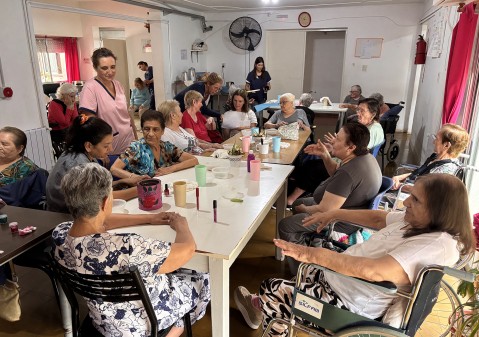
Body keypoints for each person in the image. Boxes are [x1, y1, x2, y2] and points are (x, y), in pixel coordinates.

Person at [234, 174, 476, 336]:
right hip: (340, 282)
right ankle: (261, 305)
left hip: (348, 306)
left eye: (415, 199)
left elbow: (372, 271)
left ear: (437, 210)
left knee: (271, 288)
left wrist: (312, 254)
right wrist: (334, 214)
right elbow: (377, 218)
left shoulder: (434, 243)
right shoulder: (419, 222)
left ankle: (263, 306)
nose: (406, 202)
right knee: (286, 287)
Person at [52, 163, 210, 337]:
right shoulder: (127, 246)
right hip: (144, 323)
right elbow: (187, 249)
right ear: (106, 202)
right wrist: (182, 227)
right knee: (202, 277)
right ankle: (174, 329)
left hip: (104, 321)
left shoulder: (59, 235)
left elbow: (101, 221)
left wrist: (149, 219)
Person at [279, 123, 382, 273]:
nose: (333, 141)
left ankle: (303, 270)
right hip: (349, 207)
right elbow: (336, 171)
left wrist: (305, 209)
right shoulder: (363, 157)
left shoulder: (349, 174)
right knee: (297, 203)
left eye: (338, 139)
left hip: (341, 220)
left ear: (351, 147)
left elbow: (325, 210)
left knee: (286, 225)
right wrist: (325, 155)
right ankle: (307, 239)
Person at [287, 98, 384, 206]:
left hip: (349, 168)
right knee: (310, 161)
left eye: (362, 111)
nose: (358, 114)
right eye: (358, 110)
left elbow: (356, 152)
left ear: (373, 114)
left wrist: (336, 147)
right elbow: (353, 151)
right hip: (347, 164)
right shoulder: (370, 127)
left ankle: (291, 199)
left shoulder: (372, 130)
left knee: (313, 167)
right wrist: (334, 147)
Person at [47, 114, 143, 213]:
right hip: (64, 216)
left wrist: (125, 181)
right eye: (106, 146)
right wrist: (140, 190)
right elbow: (99, 198)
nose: (111, 149)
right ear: (88, 145)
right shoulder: (79, 166)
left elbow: (97, 187)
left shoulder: (82, 153)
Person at [79, 47, 137, 156]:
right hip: (109, 149)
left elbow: (127, 114)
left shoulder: (118, 85)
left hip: (129, 143)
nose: (110, 72)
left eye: (113, 67)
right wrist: (101, 150)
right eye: (104, 68)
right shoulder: (90, 88)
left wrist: (136, 137)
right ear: (95, 68)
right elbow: (89, 123)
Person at [111, 109, 198, 178]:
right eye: (147, 129)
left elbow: (194, 160)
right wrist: (133, 177)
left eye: (155, 129)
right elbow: (114, 169)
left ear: (163, 131)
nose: (151, 134)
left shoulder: (166, 147)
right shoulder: (136, 148)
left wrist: (170, 169)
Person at [391, 123, 469, 190]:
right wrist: (398, 177)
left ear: (446, 145)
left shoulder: (445, 170)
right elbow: (419, 172)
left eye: (437, 139)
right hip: (409, 185)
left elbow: (424, 192)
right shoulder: (436, 157)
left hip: (414, 197)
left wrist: (399, 186)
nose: (433, 142)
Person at [158, 99, 222, 153]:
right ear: (173, 116)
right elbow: (174, 157)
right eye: (180, 112)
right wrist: (203, 153)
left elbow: (196, 143)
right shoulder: (165, 134)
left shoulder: (179, 128)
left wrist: (211, 145)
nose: (182, 115)